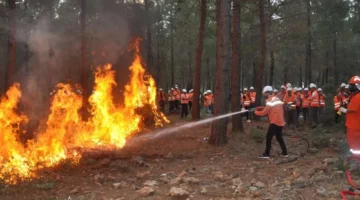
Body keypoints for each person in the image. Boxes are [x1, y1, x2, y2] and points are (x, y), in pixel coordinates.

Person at [255, 86, 288, 159]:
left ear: (267, 92)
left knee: (268, 137)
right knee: (279, 137)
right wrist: (261, 108)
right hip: (280, 121)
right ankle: (285, 152)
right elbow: (272, 108)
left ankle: (266, 154)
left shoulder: (269, 101)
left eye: (264, 94)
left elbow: (264, 113)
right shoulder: (276, 98)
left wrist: (256, 112)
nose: (264, 95)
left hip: (274, 121)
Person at [339, 76, 360, 155]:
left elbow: (352, 109)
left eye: (352, 85)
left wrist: (344, 110)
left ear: (356, 86)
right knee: (353, 143)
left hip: (355, 126)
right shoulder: (354, 95)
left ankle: (357, 159)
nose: (350, 87)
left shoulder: (358, 97)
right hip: (352, 124)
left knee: (356, 144)